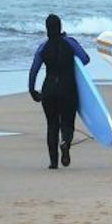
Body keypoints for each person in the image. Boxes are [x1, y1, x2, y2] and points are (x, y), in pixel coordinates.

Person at [29, 14, 90, 169]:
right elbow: (85, 58)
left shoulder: (43, 47)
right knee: (67, 122)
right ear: (61, 27)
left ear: (47, 29)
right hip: (68, 88)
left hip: (48, 89)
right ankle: (65, 143)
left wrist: (32, 89)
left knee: (52, 125)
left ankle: (53, 162)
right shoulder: (70, 43)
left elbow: (34, 70)